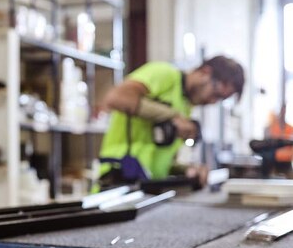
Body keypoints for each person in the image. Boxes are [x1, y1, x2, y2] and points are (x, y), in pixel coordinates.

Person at [97, 55, 244, 187]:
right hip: (116, 181)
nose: (212, 102)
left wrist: (187, 170)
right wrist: (171, 116)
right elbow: (116, 98)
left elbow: (161, 161)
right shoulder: (165, 74)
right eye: (216, 94)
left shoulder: (185, 106)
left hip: (146, 187)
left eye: (220, 100)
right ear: (205, 72)